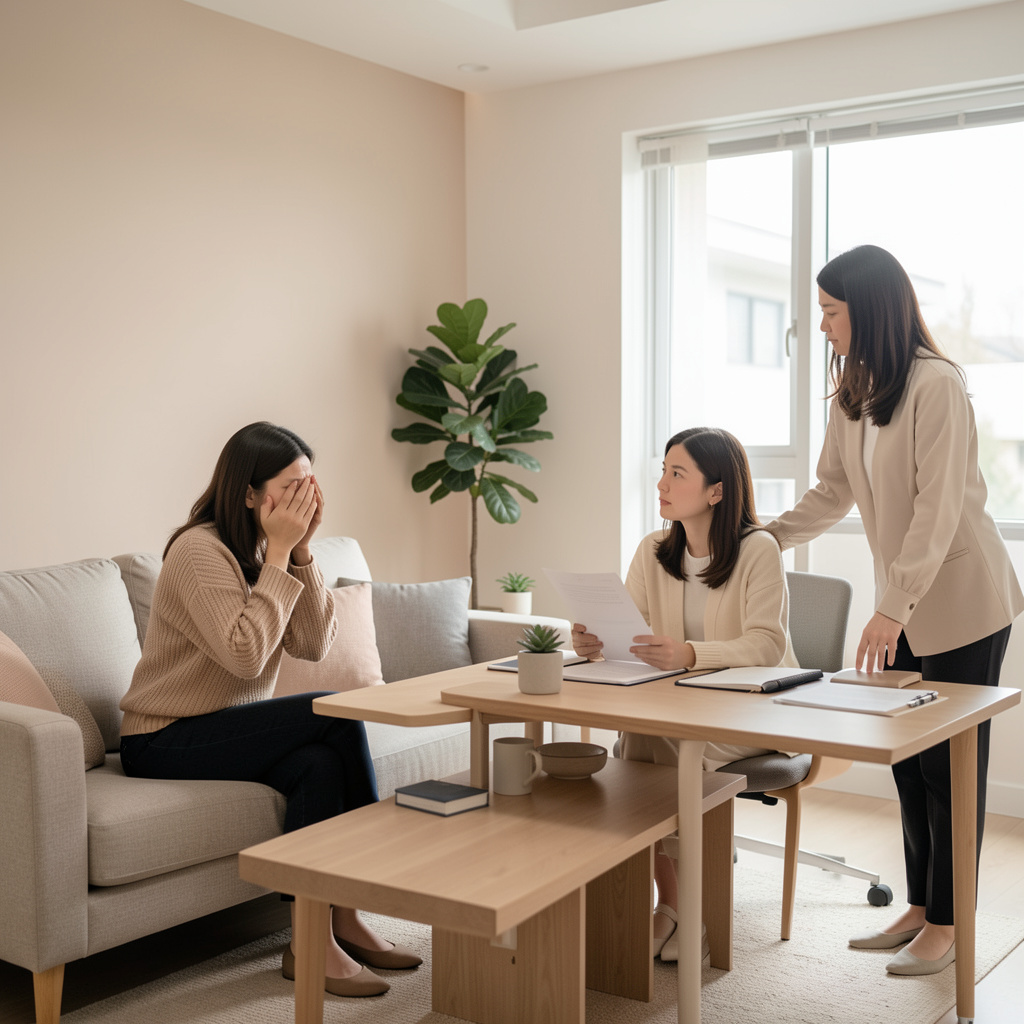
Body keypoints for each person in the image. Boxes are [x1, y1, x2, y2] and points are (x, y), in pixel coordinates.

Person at [766, 245, 1024, 977]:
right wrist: (761, 539)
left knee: (951, 764)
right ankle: (921, 906)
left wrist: (891, 608)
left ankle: (949, 924)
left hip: (965, 603)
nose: (822, 327)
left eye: (830, 312)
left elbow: (938, 513)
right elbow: (831, 491)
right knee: (910, 762)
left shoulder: (937, 385)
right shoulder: (856, 386)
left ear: (868, 309)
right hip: (905, 605)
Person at [119, 421, 421, 998]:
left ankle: (318, 933)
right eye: (291, 486)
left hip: (224, 730)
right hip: (163, 738)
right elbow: (245, 657)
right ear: (249, 493)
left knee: (318, 764)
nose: (304, 498)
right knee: (333, 712)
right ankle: (358, 897)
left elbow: (312, 643)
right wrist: (281, 552)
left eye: (310, 484)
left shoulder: (263, 550)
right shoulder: (197, 551)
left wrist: (301, 551)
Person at [571, 426, 799, 962]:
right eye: (664, 471)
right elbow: (634, 631)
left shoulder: (757, 549)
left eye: (678, 473)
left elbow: (768, 644)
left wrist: (691, 654)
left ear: (717, 491)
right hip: (677, 710)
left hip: (756, 712)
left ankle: (682, 909)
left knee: (659, 747)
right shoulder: (652, 550)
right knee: (642, 741)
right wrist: (593, 641)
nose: (662, 484)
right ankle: (675, 906)